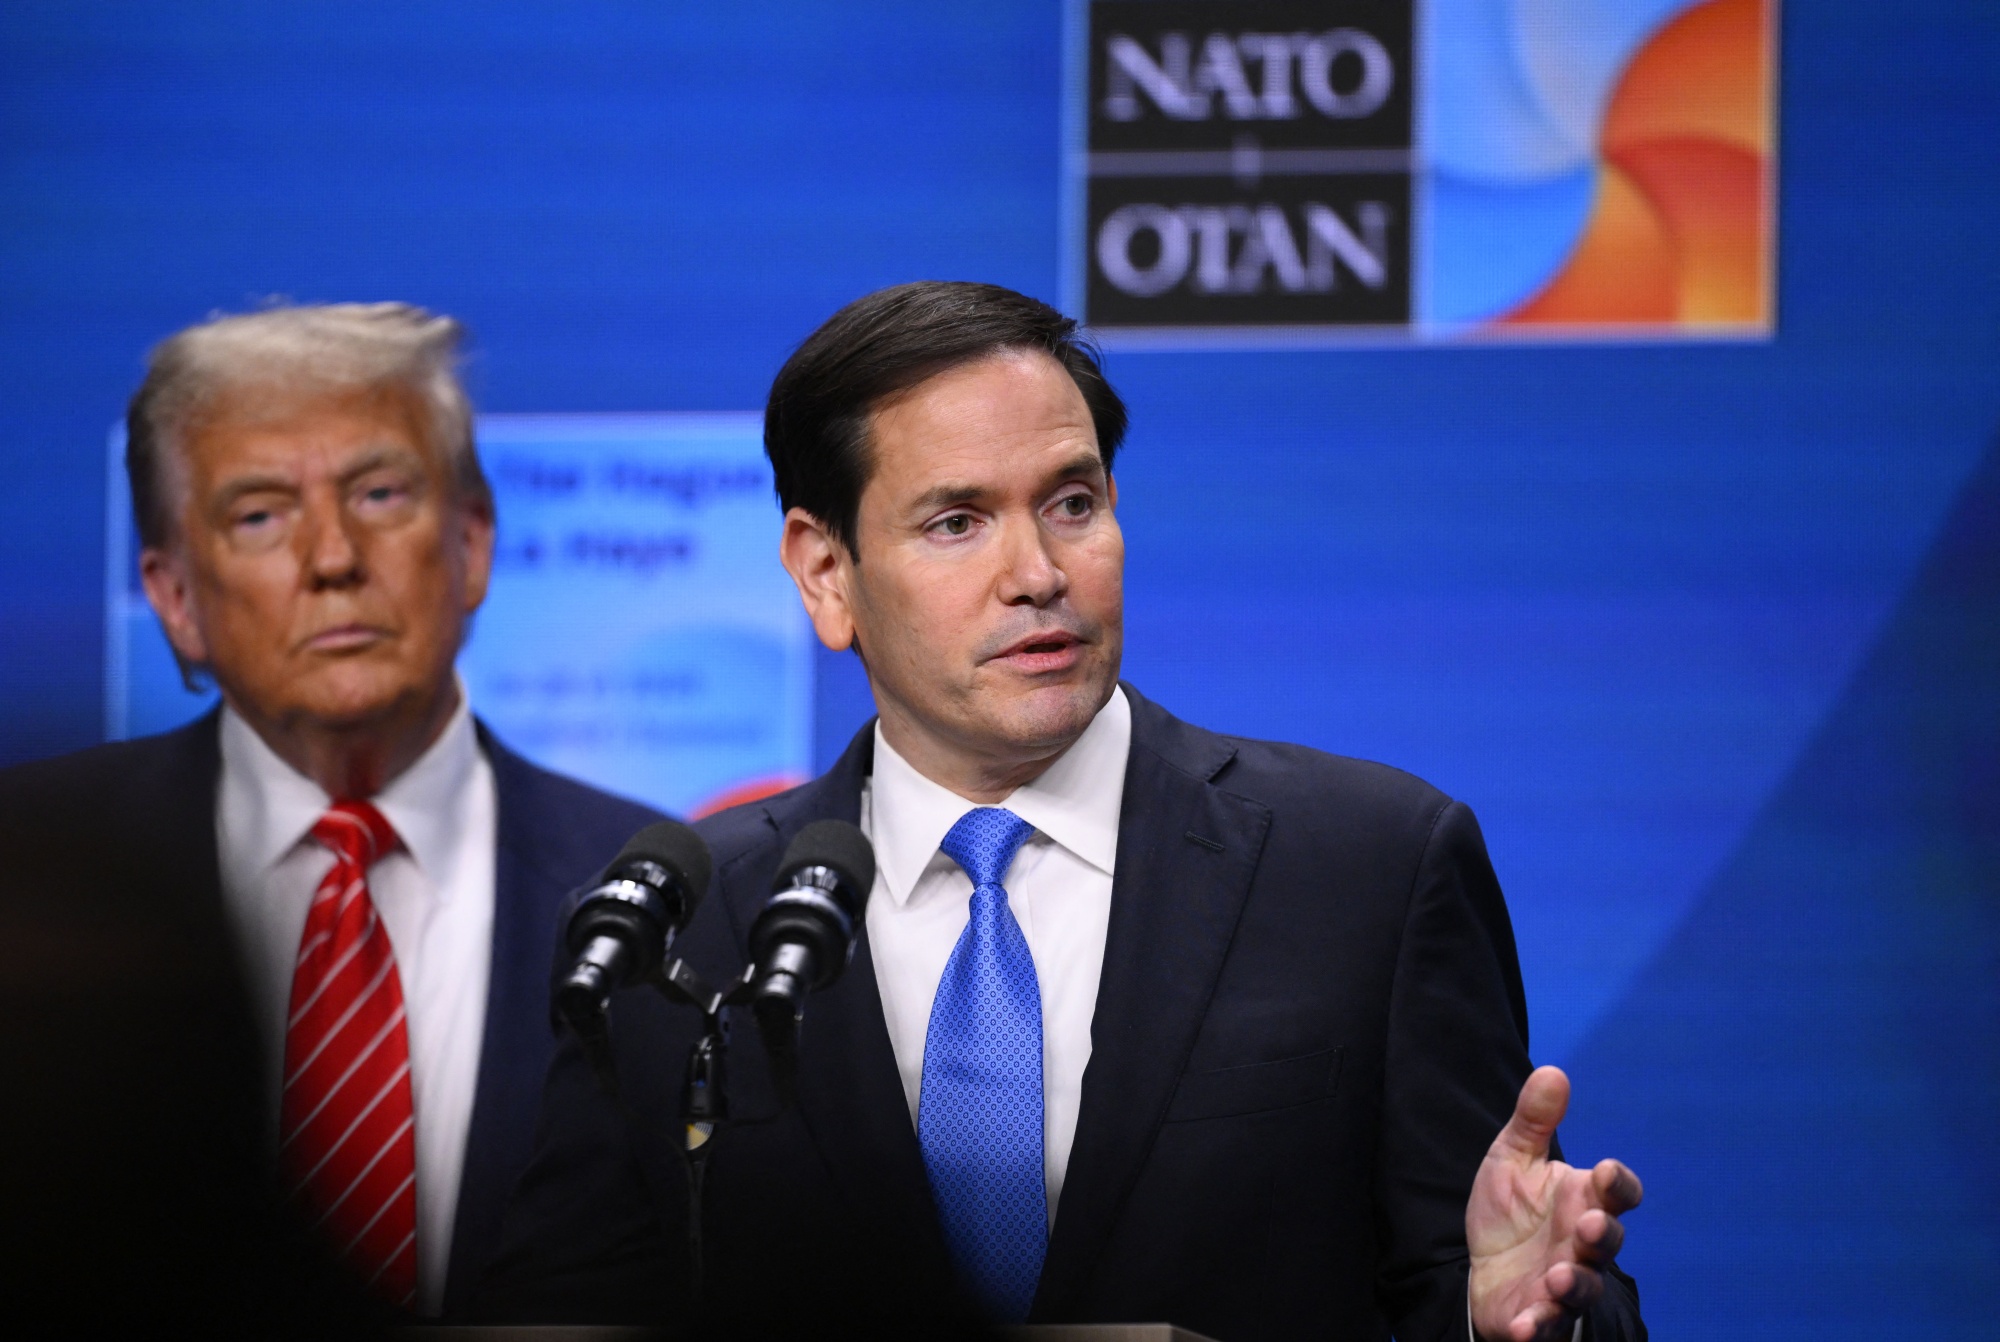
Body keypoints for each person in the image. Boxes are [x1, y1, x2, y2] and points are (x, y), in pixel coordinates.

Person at [485, 282, 1646, 1342]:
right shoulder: (683, 934)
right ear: (824, 574)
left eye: (1072, 502)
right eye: (956, 521)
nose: (1037, 571)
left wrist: (1527, 1320)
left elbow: (1485, 1275)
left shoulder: (1369, 866)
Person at [0, 304, 662, 1328]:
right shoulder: (30, 884)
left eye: (381, 493)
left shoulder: (664, 893)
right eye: (259, 513)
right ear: (176, 597)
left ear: (473, 543)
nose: (333, 556)